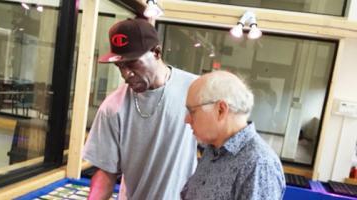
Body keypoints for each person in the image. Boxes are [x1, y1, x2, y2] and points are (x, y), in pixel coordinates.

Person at [82, 18, 198, 199]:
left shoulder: (195, 90)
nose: (125, 74)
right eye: (120, 65)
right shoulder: (112, 107)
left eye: (132, 63)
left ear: (156, 52)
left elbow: (217, 151)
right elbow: (105, 172)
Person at [181, 71, 285, 200]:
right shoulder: (213, 150)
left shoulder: (258, 165)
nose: (187, 119)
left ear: (221, 110)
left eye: (192, 111)